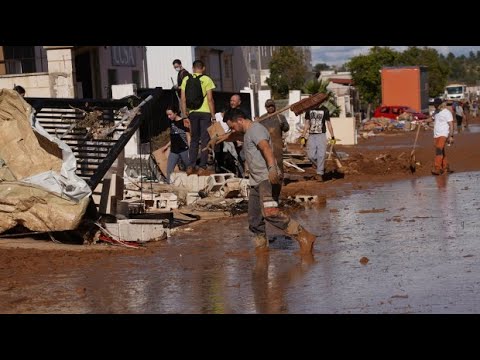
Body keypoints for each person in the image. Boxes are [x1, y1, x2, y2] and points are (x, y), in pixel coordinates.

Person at [223, 108, 316, 255]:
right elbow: (234, 136)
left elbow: (265, 148)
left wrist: (273, 168)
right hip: (255, 181)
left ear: (240, 120)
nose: (232, 129)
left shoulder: (256, 130)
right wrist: (219, 138)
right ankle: (261, 248)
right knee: (254, 219)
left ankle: (304, 236)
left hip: (266, 178)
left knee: (270, 212)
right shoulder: (247, 133)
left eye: (232, 125)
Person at [180, 59, 216, 176]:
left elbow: (183, 99)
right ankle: (202, 167)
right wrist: (213, 116)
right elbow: (210, 99)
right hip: (205, 113)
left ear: (193, 68)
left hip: (192, 113)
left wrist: (185, 115)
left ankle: (191, 166)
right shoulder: (207, 79)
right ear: (203, 68)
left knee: (194, 139)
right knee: (205, 140)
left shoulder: (186, 79)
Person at [258, 99, 290, 200]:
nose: (270, 108)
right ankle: (268, 183)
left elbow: (286, 128)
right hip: (265, 146)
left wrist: (284, 125)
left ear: (274, 106)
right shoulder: (262, 119)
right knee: (266, 165)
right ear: (266, 107)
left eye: (272, 106)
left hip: (277, 146)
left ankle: (279, 183)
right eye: (268, 106)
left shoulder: (280, 117)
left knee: (279, 165)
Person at [300, 102, 336, 181]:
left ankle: (319, 173)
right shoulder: (308, 110)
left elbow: (329, 124)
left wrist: (332, 136)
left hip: (321, 135)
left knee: (321, 155)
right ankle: (320, 166)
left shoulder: (325, 110)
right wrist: (303, 136)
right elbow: (307, 124)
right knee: (310, 156)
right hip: (311, 135)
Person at [165, 104, 190, 183]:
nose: (169, 116)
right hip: (174, 151)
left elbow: (188, 135)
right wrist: (166, 146)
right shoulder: (171, 123)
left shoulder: (184, 121)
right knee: (169, 170)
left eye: (170, 114)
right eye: (167, 115)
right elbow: (173, 137)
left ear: (175, 113)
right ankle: (169, 185)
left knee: (189, 168)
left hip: (184, 149)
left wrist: (190, 148)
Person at [429, 98, 454, 175]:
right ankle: (446, 167)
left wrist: (451, 136)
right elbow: (431, 119)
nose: (434, 106)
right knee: (441, 151)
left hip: (443, 134)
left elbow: (451, 125)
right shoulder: (436, 112)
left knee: (438, 150)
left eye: (436, 104)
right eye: (434, 104)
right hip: (436, 135)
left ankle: (438, 168)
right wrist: (422, 121)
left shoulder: (447, 112)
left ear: (440, 104)